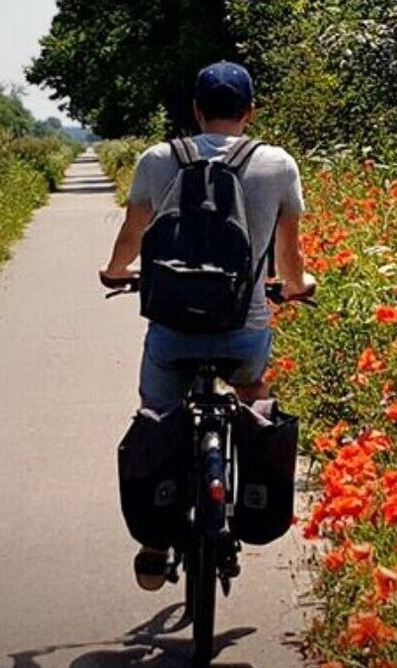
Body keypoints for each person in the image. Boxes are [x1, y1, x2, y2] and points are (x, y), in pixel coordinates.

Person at [99, 61, 315, 590]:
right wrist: (295, 285)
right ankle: (247, 496)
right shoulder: (277, 164)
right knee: (252, 397)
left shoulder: (157, 160)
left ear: (195, 110)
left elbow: (133, 233)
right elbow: (289, 258)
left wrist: (115, 270)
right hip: (244, 329)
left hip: (173, 331)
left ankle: (155, 540)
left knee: (158, 413)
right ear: (250, 111)